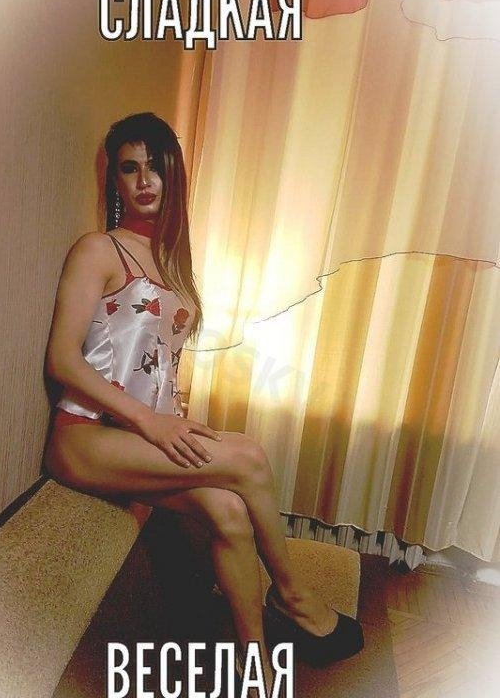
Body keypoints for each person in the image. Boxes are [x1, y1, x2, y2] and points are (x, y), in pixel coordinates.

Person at [43, 112, 363, 689]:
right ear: (114, 182)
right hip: (85, 439)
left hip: (135, 440)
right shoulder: (99, 250)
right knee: (250, 456)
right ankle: (293, 597)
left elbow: (153, 365)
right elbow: (63, 360)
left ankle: (253, 665)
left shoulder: (171, 263)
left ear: (174, 175)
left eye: (155, 167)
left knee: (230, 511)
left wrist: (171, 421)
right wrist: (151, 423)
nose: (144, 180)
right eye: (129, 169)